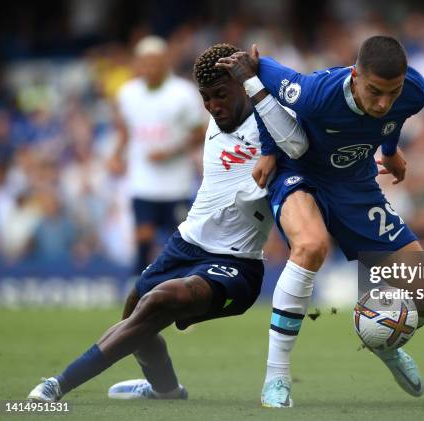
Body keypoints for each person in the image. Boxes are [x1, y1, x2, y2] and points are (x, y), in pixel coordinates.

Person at [27, 43, 308, 402]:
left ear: (243, 85)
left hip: (236, 263)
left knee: (160, 300)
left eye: (220, 95)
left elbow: (298, 135)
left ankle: (58, 384)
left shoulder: (272, 124)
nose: (213, 106)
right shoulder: (215, 118)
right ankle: (166, 390)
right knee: (136, 313)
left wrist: (255, 77)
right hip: (185, 245)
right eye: (206, 99)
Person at [216, 35, 424, 408]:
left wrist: (389, 150)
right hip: (299, 172)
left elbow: (395, 115)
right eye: (374, 92)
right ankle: (276, 376)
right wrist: (271, 150)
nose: (384, 102)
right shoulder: (314, 94)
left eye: (393, 92)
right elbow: (255, 79)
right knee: (310, 246)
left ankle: (380, 336)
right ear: (355, 76)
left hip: (356, 184)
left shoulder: (415, 92)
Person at [107, 35, 208, 276]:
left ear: (165, 62)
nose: (149, 68)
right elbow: (125, 129)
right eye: (144, 62)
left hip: (177, 183)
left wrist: (171, 152)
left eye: (154, 62)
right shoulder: (128, 94)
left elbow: (200, 132)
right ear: (138, 64)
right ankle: (137, 286)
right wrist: (116, 155)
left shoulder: (184, 93)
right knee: (143, 235)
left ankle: (182, 284)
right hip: (143, 181)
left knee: (179, 238)